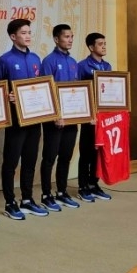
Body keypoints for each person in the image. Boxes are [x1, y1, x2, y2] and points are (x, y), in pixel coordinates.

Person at [0, 19, 48, 220]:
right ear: (13, 36)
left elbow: (41, 86)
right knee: (11, 161)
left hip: (34, 118)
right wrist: (8, 95)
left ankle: (27, 199)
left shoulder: (35, 59)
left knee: (31, 160)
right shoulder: (4, 60)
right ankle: (9, 202)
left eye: (29, 32)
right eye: (23, 33)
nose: (28, 36)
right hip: (15, 120)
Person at [39, 24, 81, 212]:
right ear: (56, 39)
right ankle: (46, 194)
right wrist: (56, 115)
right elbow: (46, 91)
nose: (70, 39)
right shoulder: (48, 61)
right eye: (66, 36)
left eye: (72, 36)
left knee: (66, 156)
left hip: (71, 119)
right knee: (50, 157)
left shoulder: (73, 62)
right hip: (54, 119)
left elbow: (78, 91)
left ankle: (62, 191)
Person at [77, 32, 113, 203]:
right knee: (86, 152)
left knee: (99, 151)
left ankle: (94, 183)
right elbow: (77, 93)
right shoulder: (82, 66)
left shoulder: (107, 66)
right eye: (100, 44)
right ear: (91, 47)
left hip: (103, 117)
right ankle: (82, 186)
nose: (104, 46)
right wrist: (87, 114)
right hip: (88, 116)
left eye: (105, 43)